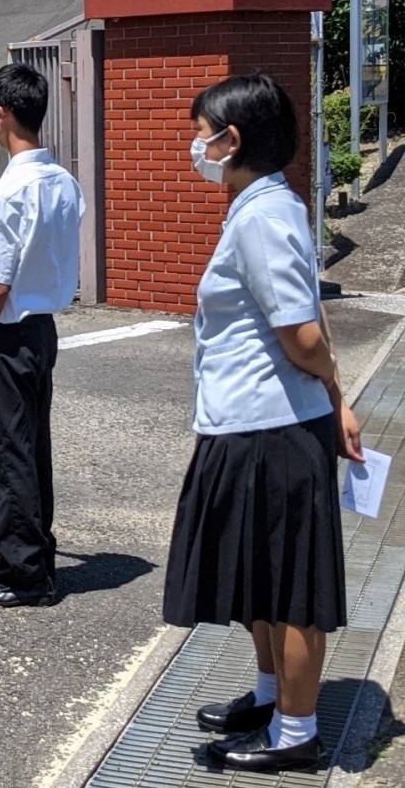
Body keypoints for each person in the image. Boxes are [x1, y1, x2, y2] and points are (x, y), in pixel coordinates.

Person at [163, 74, 363, 773]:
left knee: (291, 588)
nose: (195, 146)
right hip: (248, 423)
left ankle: (296, 734)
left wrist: (333, 387)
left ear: (231, 140)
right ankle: (273, 697)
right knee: (259, 579)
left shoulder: (262, 217)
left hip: (273, 429)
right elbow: (304, 311)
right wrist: (336, 395)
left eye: (200, 133)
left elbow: (303, 334)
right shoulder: (263, 206)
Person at [0, 63, 84, 609]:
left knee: (9, 455)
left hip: (7, 339)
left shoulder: (11, 190)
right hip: (43, 332)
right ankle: (38, 558)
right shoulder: (62, 182)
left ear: (2, 113)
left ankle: (23, 574)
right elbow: (34, 249)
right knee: (31, 448)